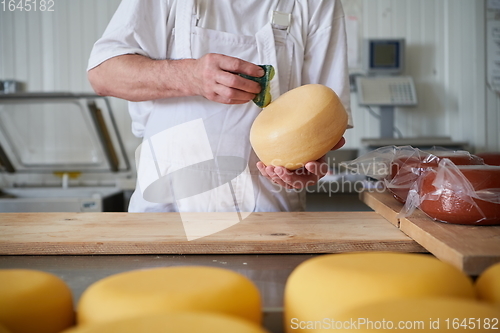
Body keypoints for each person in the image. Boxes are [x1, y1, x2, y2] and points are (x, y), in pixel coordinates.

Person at [88, 0, 353, 213]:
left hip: (267, 220)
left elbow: (325, 114)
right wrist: (190, 76)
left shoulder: (319, 4)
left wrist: (305, 165)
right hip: (166, 211)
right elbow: (103, 75)